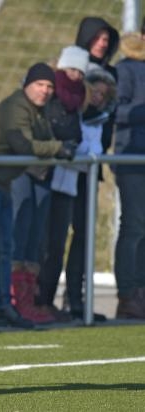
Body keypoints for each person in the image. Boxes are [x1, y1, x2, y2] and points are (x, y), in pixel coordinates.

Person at [0, 63, 75, 326]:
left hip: (16, 178)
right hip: (0, 180)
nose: (45, 91)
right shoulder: (17, 105)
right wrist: (58, 148)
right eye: (40, 85)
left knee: (26, 242)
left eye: (49, 87)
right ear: (27, 84)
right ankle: (11, 303)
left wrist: (52, 147)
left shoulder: (40, 110)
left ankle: (23, 303)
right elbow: (22, 145)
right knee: (9, 243)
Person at [42, 63, 116, 321]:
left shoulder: (103, 118)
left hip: (87, 178)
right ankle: (45, 299)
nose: (97, 97)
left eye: (103, 94)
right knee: (56, 239)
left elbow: (101, 146)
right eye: (94, 90)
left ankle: (76, 299)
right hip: (64, 178)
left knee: (83, 238)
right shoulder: (71, 111)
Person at [36, 45, 88, 321]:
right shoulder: (51, 97)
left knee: (57, 243)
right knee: (41, 242)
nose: (76, 76)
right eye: (71, 69)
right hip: (45, 177)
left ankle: (46, 299)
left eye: (80, 71)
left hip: (65, 180)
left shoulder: (78, 101)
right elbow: (58, 133)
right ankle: (34, 299)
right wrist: (63, 144)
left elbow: (75, 135)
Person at [113, 30, 145, 319]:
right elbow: (116, 111)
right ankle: (127, 294)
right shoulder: (126, 68)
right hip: (132, 160)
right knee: (134, 225)